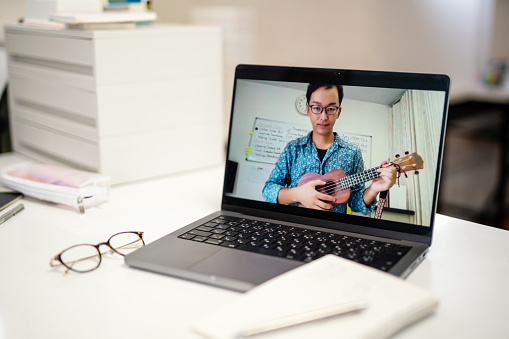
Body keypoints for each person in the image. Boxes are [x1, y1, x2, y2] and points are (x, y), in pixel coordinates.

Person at [262, 83, 397, 214]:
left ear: (338, 112)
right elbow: (269, 190)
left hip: (333, 230)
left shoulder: (352, 153)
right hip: (294, 226)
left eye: (331, 109)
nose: (323, 117)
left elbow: (356, 203)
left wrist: (374, 189)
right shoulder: (293, 149)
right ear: (308, 110)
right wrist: (298, 194)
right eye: (316, 107)